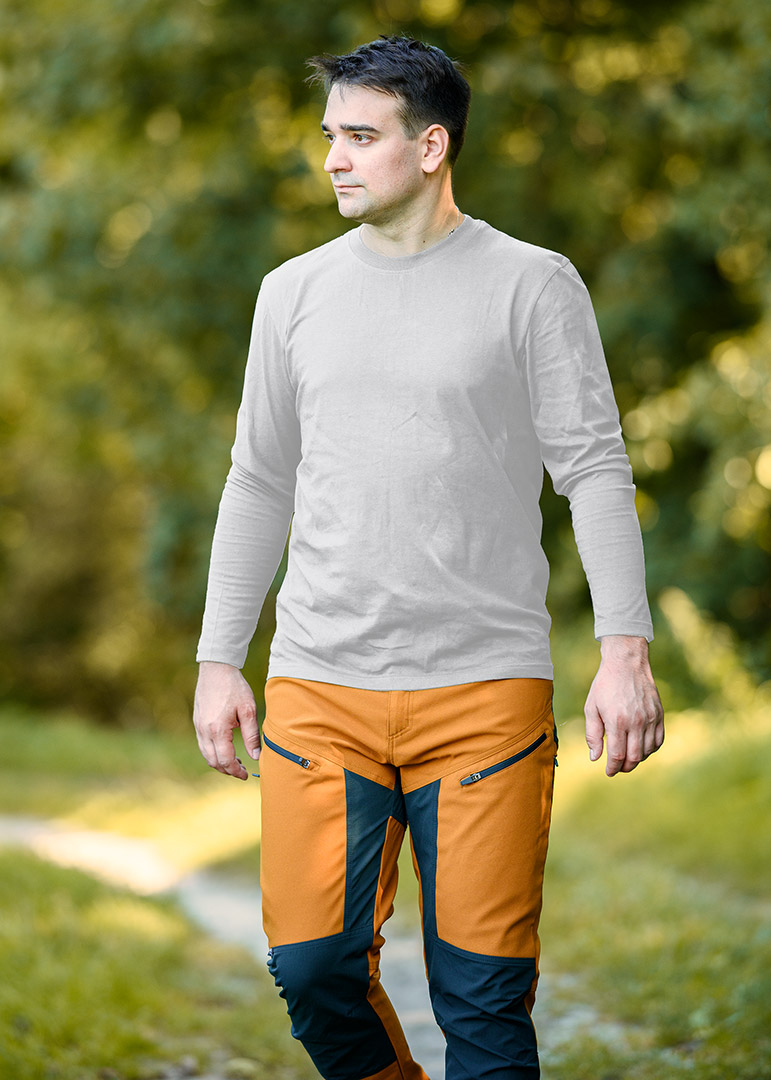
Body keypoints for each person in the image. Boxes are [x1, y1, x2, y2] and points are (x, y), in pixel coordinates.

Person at [193, 33, 665, 1080]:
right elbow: (258, 481)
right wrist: (219, 658)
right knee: (312, 968)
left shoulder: (532, 285)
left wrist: (624, 652)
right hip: (322, 685)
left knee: (484, 1002)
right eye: (331, 135)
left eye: (361, 137)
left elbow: (593, 468)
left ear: (433, 145)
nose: (334, 158)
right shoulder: (292, 293)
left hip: (485, 692)